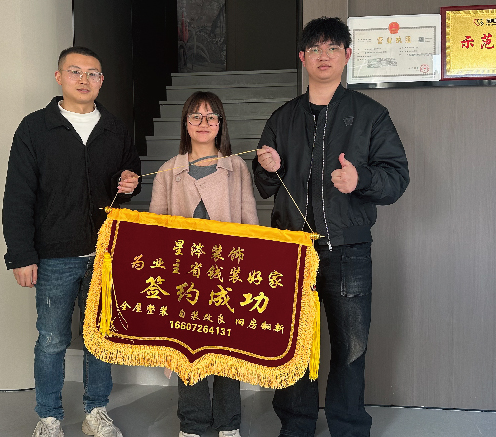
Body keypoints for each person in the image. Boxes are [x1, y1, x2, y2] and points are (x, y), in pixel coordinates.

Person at [253, 17, 409, 437]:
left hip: (348, 249)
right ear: (302, 58)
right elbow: (264, 186)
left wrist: (362, 180)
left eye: (333, 48)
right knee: (292, 345)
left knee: (350, 348)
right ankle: (296, 425)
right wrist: (266, 168)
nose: (324, 56)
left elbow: (397, 178)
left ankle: (349, 427)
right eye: (315, 49)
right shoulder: (282, 117)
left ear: (347, 55)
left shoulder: (371, 114)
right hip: (291, 252)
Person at [2, 46, 141, 437]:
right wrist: (21, 255)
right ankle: (48, 416)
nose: (84, 80)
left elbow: (129, 178)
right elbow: (18, 195)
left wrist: (130, 183)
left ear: (102, 81)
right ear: (59, 76)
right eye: (75, 71)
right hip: (54, 255)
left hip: (104, 254)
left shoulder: (114, 128)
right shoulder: (35, 128)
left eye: (93, 73)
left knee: (100, 339)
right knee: (51, 339)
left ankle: (96, 411)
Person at [150, 91, 258, 437]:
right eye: (195, 116)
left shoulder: (236, 167)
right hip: (185, 273)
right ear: (185, 123)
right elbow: (156, 227)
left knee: (227, 346)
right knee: (188, 349)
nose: (203, 123)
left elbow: (249, 220)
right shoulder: (169, 170)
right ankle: (193, 423)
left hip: (227, 271)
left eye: (211, 116)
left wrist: (250, 266)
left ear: (221, 124)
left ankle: (228, 423)